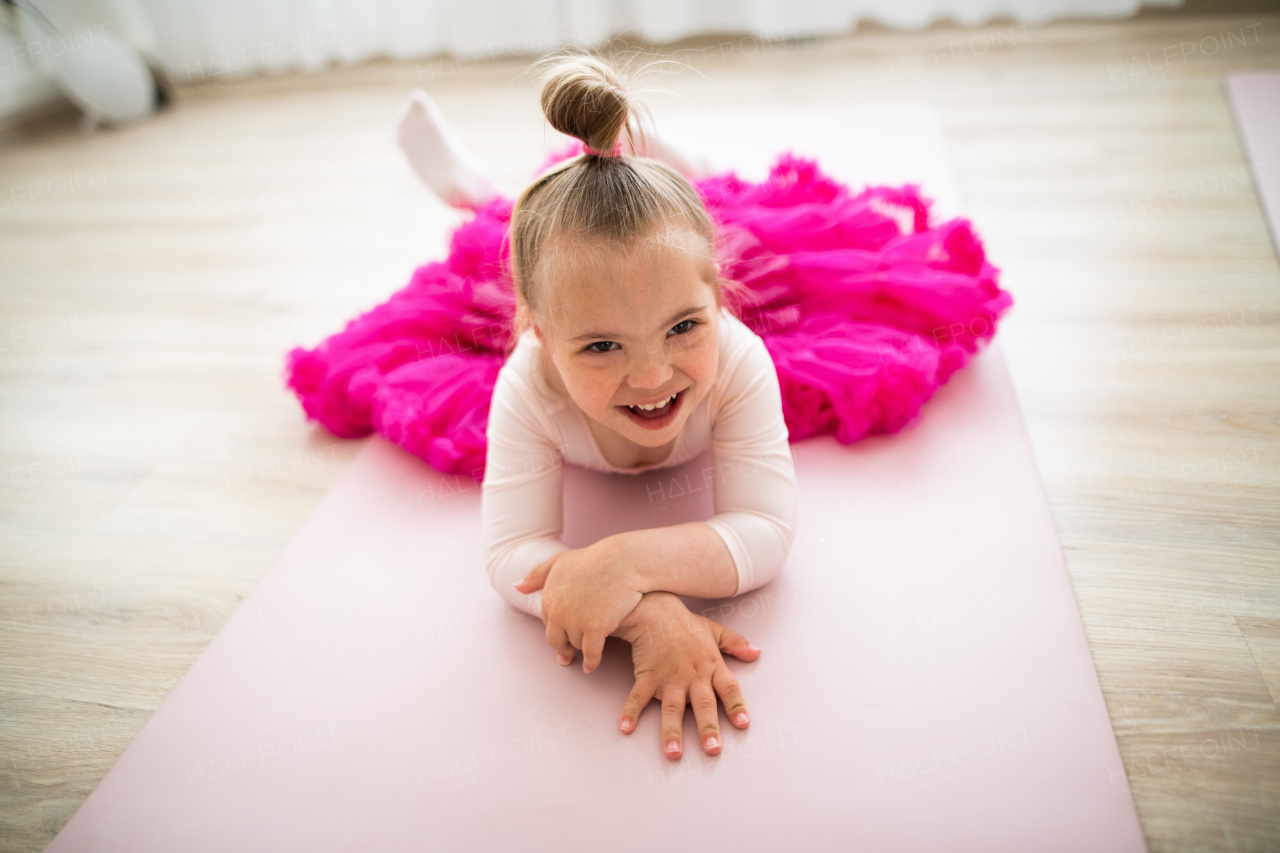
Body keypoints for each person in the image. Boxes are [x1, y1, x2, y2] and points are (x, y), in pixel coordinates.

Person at [284, 51, 1013, 762]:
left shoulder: (735, 355)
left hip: (679, 251)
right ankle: (479, 195)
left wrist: (624, 558)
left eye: (685, 326)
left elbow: (767, 528)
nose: (654, 373)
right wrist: (644, 609)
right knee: (481, 270)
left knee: (754, 232)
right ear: (539, 336)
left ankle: (668, 157)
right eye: (600, 347)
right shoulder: (527, 383)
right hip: (556, 274)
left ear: (718, 303)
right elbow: (508, 552)